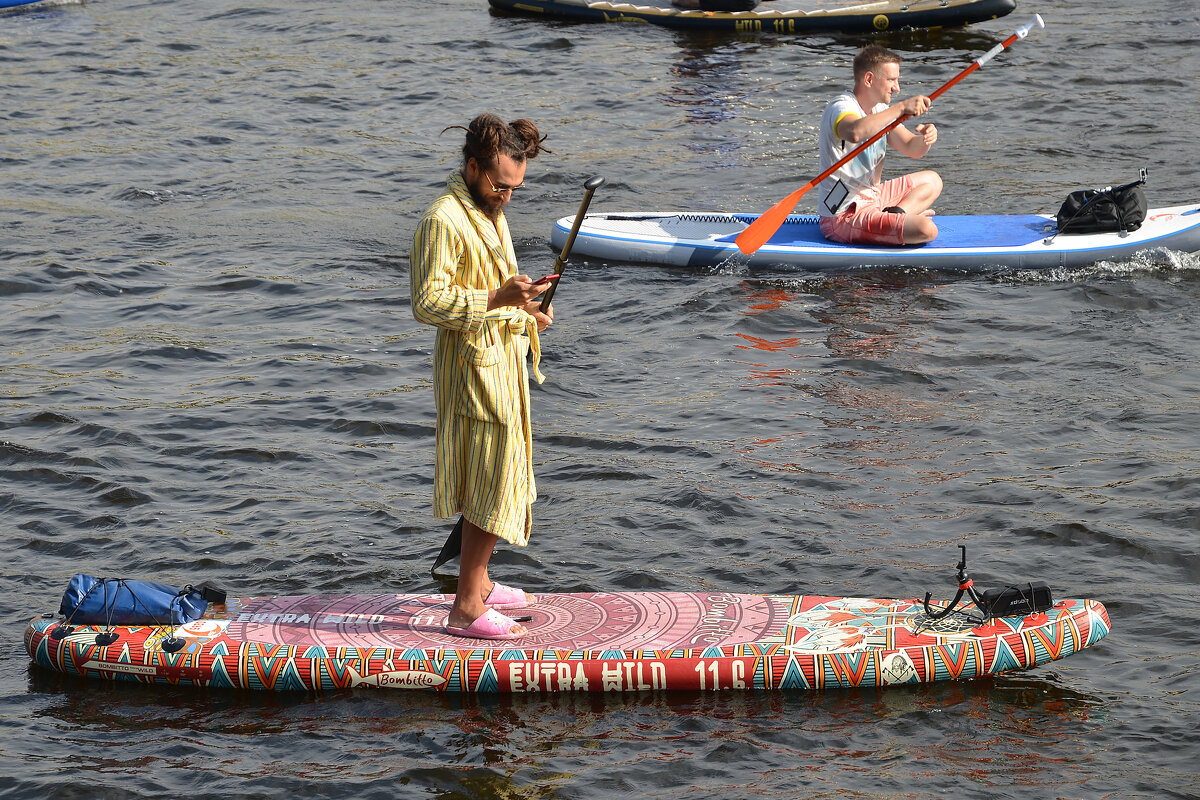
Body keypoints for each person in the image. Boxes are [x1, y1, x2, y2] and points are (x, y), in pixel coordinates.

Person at [410, 113, 552, 640]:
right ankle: (466, 606)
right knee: (489, 477)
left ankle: (482, 581)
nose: (508, 197)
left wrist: (526, 310)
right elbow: (427, 302)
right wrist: (498, 298)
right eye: (500, 185)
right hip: (472, 370)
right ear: (471, 167)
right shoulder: (443, 219)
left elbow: (495, 293)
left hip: (501, 363)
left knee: (503, 471)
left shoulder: (488, 209)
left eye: (516, 188)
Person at [817, 45, 942, 246]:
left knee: (933, 180)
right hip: (843, 215)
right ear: (869, 79)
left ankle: (894, 214)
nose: (897, 87)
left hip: (873, 198)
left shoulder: (880, 110)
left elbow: (912, 147)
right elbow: (855, 132)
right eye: (891, 80)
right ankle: (895, 221)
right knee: (927, 230)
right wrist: (901, 108)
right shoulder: (840, 107)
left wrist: (926, 138)